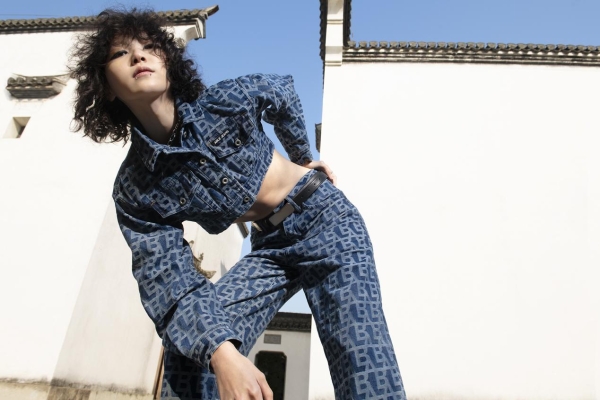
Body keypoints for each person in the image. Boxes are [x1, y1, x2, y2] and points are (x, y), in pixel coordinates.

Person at [70, 7, 406, 400]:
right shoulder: (135, 188)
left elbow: (281, 91)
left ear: (168, 62)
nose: (138, 56)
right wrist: (222, 352)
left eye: (149, 47)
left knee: (362, 361)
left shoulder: (222, 101)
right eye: (120, 53)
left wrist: (302, 156)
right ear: (106, 85)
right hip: (269, 249)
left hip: (325, 219)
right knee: (193, 353)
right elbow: (167, 279)